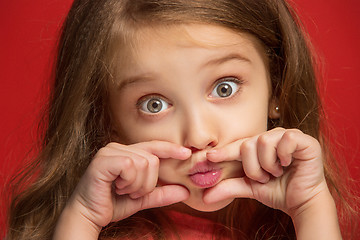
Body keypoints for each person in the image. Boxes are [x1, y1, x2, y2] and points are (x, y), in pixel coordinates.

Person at [6, 0, 358, 239]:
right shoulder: (103, 228)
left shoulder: (305, 218)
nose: (199, 135)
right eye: (154, 104)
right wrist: (81, 219)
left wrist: (311, 207)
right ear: (109, 121)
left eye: (224, 88)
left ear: (277, 90)